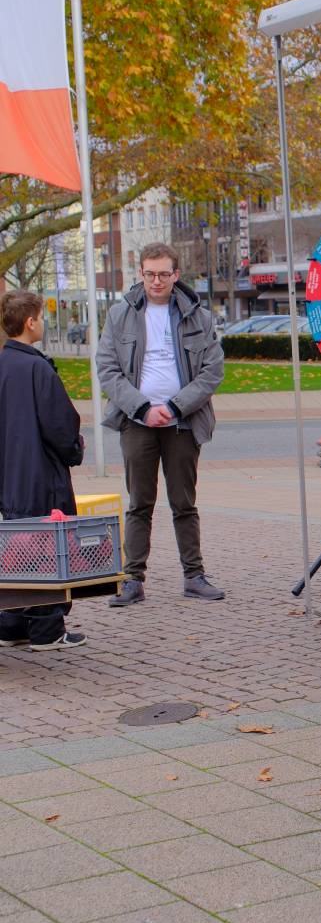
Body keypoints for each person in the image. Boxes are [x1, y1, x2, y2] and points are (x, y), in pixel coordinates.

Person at [96, 242, 225, 604]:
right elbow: (107, 369)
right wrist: (142, 408)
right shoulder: (119, 315)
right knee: (139, 502)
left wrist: (175, 406)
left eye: (163, 274)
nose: (156, 281)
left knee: (184, 502)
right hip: (137, 422)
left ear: (175, 275)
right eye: (150, 274)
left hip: (182, 422)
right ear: (140, 273)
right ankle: (132, 579)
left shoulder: (198, 316)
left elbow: (212, 371)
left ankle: (194, 576)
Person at [0, 290, 86, 650]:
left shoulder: (3, 364)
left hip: (9, 479)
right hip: (40, 476)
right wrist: (75, 449)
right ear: (30, 321)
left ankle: (11, 624)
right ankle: (47, 628)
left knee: (15, 550)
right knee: (46, 549)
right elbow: (60, 426)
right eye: (41, 318)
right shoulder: (38, 368)